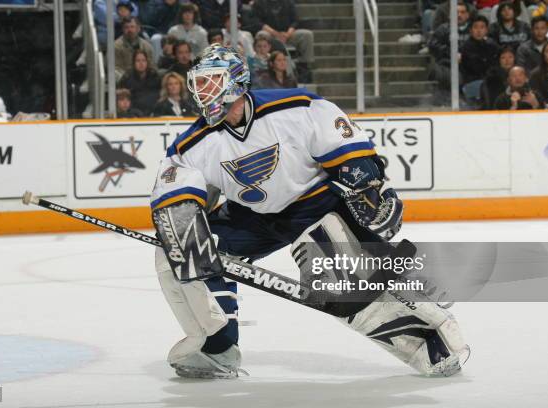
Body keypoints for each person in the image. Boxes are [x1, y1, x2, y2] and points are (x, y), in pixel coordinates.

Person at [150, 44, 470, 379]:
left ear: (236, 81)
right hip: (253, 219)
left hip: (314, 205)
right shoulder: (192, 145)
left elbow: (350, 156)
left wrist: (369, 185)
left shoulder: (295, 108)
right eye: (198, 83)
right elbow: (175, 193)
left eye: (211, 81)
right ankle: (216, 347)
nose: (202, 91)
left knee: (339, 286)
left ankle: (429, 340)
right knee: (176, 255)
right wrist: (183, 229)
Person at [253, 0, 314, 83]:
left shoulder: (289, 2)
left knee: (307, 34)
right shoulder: (259, 3)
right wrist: (275, 33)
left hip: (287, 34)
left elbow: (295, 21)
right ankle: (263, 64)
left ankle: (304, 67)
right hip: (270, 34)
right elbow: (258, 22)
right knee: (261, 34)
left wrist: (288, 34)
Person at [428, 1, 472, 103]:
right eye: (456, 12)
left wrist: (464, 56)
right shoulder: (443, 29)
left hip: (469, 67)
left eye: (462, 12)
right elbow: (433, 46)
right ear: (450, 15)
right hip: (447, 66)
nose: (459, 15)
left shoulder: (473, 28)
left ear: (467, 15)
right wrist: (451, 53)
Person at [460, 15, 501, 105]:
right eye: (475, 27)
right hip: (472, 83)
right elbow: (477, 67)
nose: (479, 31)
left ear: (486, 30)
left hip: (488, 81)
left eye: (482, 27)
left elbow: (495, 64)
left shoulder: (492, 45)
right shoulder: (467, 47)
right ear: (470, 30)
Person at [117, 49, 161, 115]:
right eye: (138, 61)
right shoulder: (127, 78)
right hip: (133, 114)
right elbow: (122, 98)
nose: (141, 63)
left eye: (143, 60)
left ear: (147, 62)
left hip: (154, 113)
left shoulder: (155, 77)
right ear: (133, 63)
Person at [114, 17, 155, 81]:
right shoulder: (116, 46)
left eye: (132, 27)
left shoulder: (147, 46)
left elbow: (151, 66)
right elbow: (115, 68)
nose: (129, 30)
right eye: (126, 27)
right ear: (123, 29)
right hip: (124, 79)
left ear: (138, 29)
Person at [529, 42, 548, 106]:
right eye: (547, 51)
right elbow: (536, 95)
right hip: (542, 110)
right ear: (543, 54)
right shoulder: (535, 74)